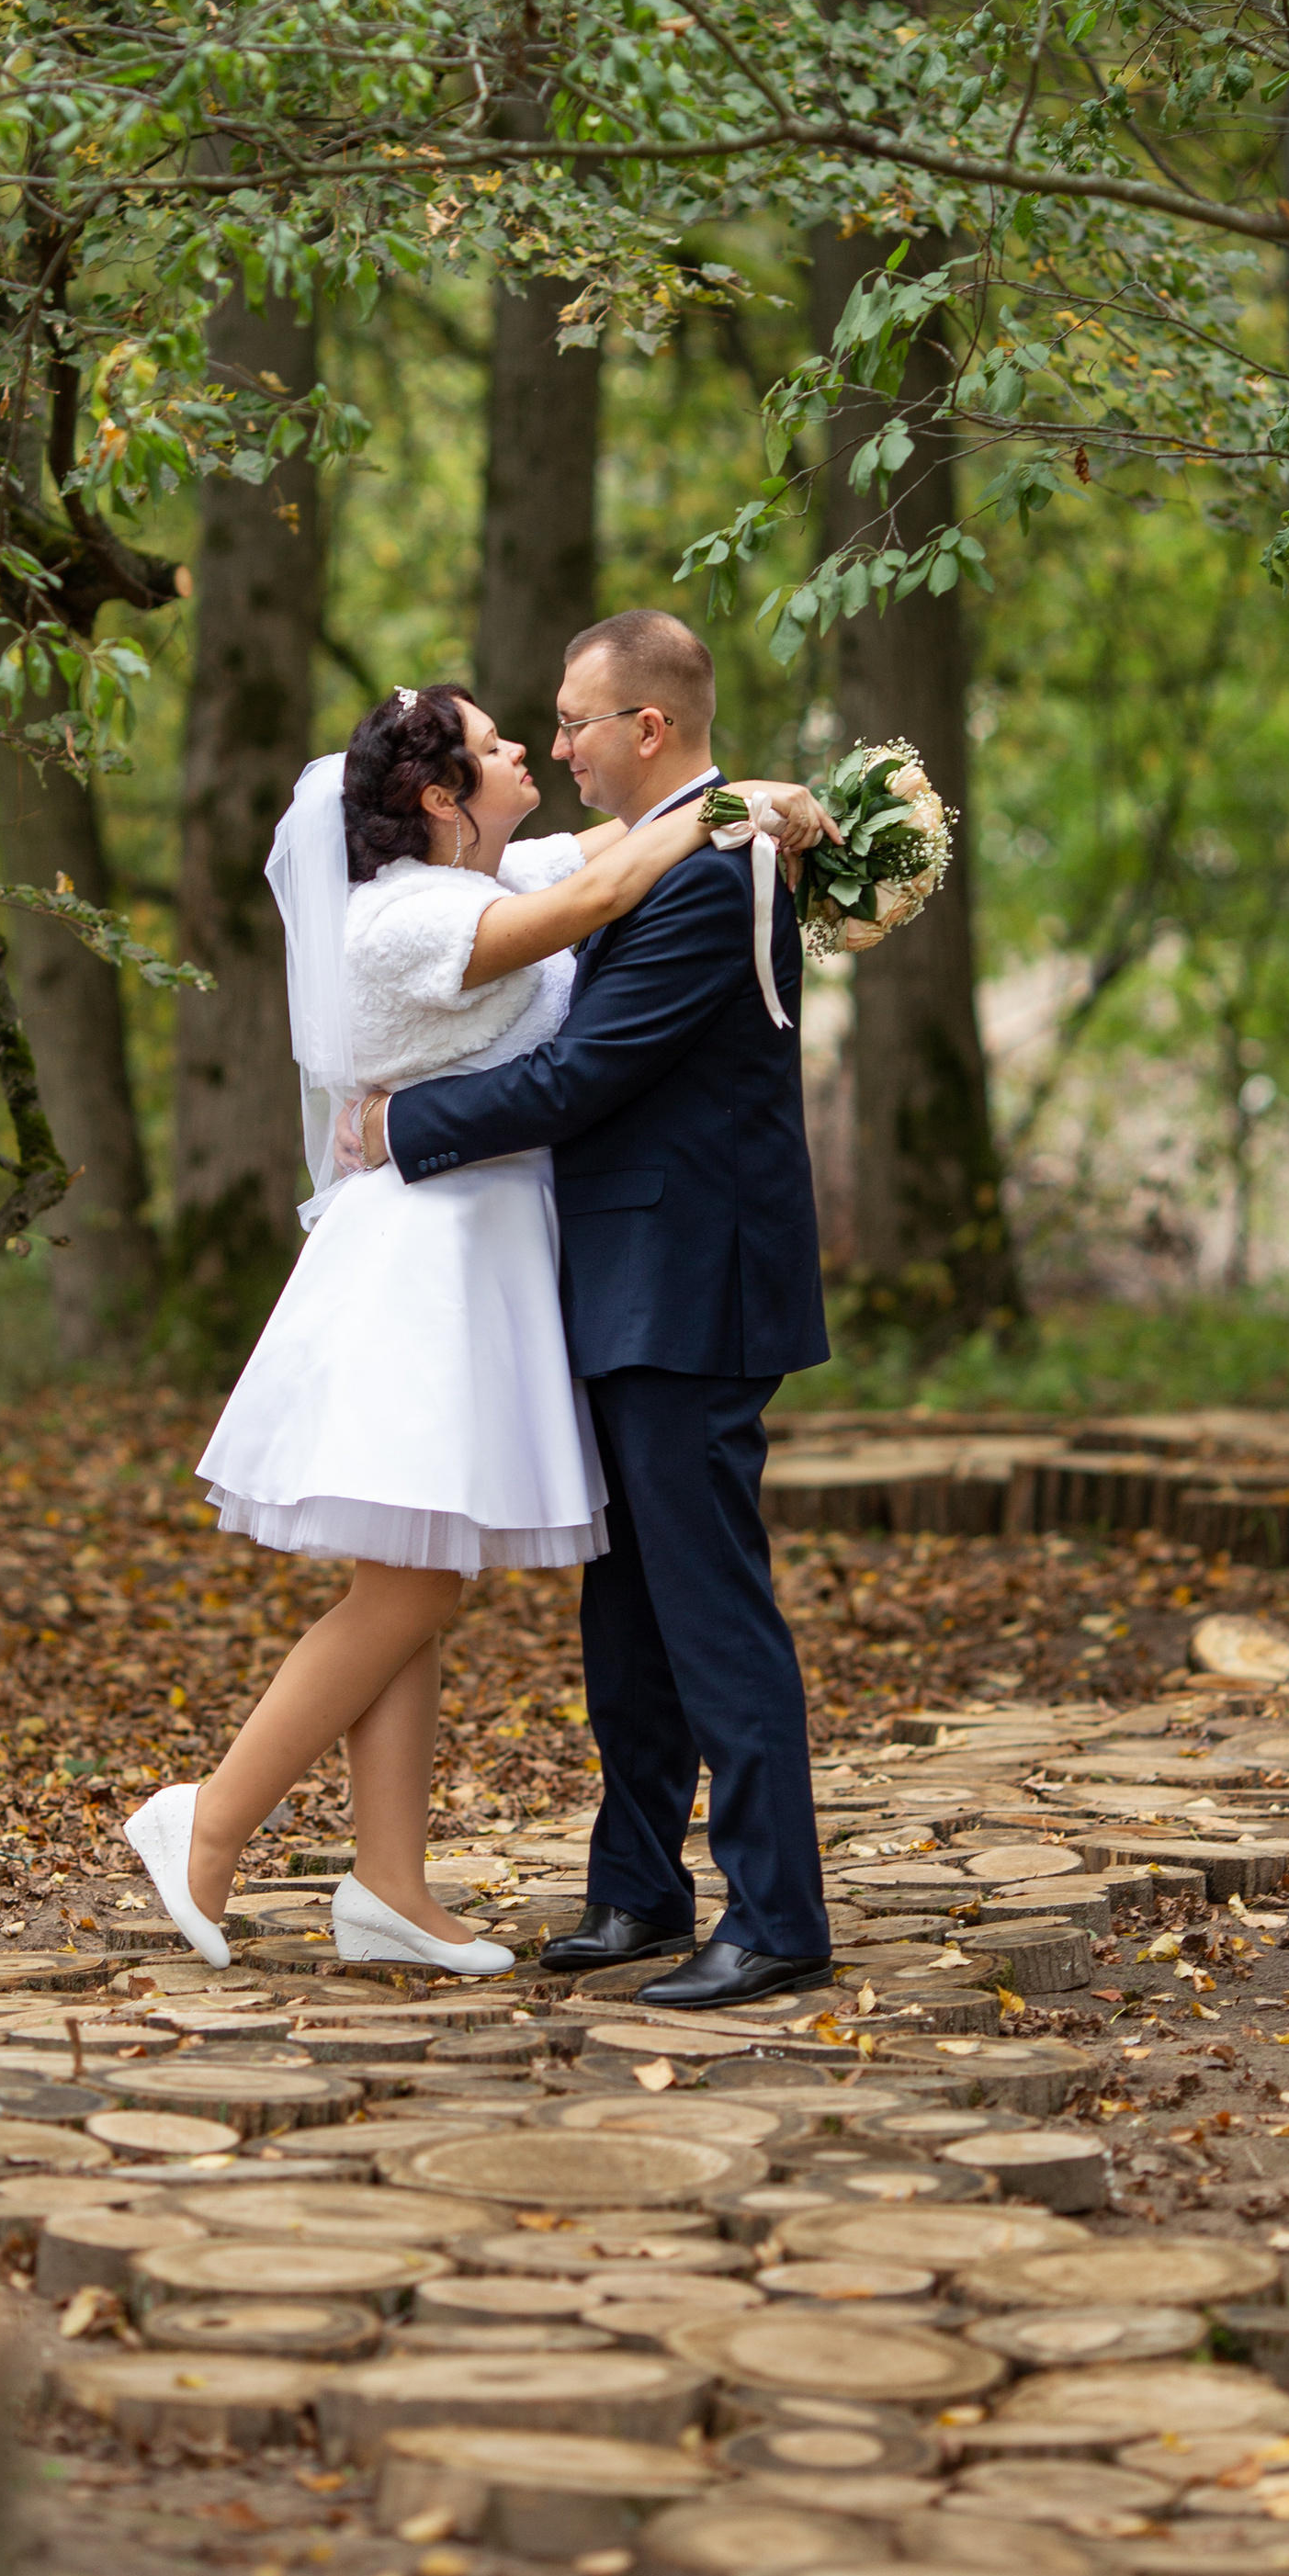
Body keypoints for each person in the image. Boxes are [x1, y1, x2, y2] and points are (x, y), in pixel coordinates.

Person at [123, 681, 831, 1979]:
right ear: (445, 797)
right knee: (412, 1582)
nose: (534, 752)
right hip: (425, 1269)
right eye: (505, 743)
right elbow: (600, 895)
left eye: (550, 728)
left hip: (496, 1261)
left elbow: (623, 844)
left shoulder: (490, 875)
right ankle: (207, 1820)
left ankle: (390, 1881)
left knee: (416, 1580)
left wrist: (769, 798)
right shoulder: (408, 918)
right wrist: (736, 807)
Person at [352, 611, 832, 2011]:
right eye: (544, 727)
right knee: (626, 1618)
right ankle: (636, 1890)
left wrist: (406, 1126)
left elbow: (587, 1077)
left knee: (710, 1606)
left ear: (650, 729)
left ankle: (780, 1913)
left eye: (573, 721)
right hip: (626, 1281)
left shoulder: (715, 873)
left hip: (692, 1283)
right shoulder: (653, 859)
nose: (554, 745)